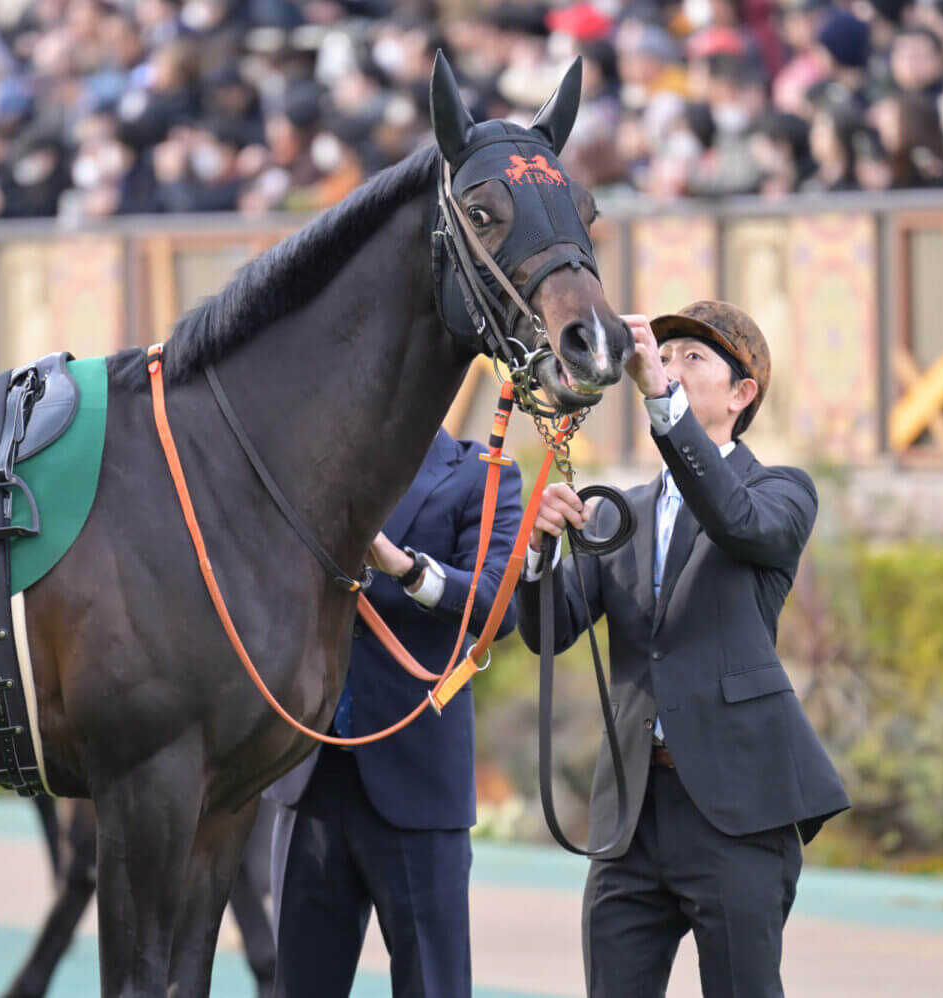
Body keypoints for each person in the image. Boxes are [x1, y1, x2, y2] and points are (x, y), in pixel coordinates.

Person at [517, 302, 849, 998]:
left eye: (692, 359)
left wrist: (662, 403)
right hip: (631, 816)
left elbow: (735, 521)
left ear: (742, 394)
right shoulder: (617, 510)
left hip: (736, 810)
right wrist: (540, 550)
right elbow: (548, 634)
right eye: (663, 357)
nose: (666, 368)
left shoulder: (782, 492)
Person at [267, 426, 523, 998]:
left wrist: (406, 568)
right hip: (310, 774)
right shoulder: (306, 454)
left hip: (419, 782)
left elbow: (496, 607)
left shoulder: (483, 471)